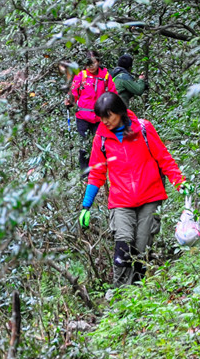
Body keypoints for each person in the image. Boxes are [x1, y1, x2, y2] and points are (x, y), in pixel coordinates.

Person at [77, 91, 190, 287]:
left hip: (150, 196)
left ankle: (137, 293)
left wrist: (180, 183)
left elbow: (164, 158)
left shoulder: (143, 129)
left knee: (140, 250)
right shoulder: (101, 139)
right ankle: (119, 293)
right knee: (123, 243)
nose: (105, 121)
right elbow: (96, 173)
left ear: (120, 112)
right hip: (121, 200)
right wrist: (86, 206)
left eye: (109, 116)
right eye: (102, 118)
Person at [69, 50, 116, 173]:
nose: (91, 65)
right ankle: (84, 174)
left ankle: (99, 172)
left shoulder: (105, 76)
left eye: (94, 62)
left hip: (99, 117)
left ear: (98, 62)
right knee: (84, 146)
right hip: (82, 116)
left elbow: (112, 93)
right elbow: (74, 93)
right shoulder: (81, 76)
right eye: (88, 63)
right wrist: (69, 101)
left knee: (100, 145)